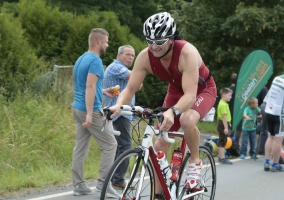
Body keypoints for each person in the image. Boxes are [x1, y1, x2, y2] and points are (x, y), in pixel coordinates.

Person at [109, 12, 217, 198]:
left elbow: (190, 95)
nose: (154, 46)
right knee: (159, 147)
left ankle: (195, 162)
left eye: (159, 41)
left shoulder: (187, 53)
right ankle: (160, 193)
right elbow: (130, 89)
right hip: (176, 91)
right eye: (150, 40)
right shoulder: (145, 56)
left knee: (186, 119)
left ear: (171, 38)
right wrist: (118, 106)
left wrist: (172, 111)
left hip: (201, 89)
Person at [71, 28, 120, 197]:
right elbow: (89, 86)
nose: (107, 45)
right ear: (99, 41)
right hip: (88, 110)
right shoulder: (96, 61)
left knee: (80, 147)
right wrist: (91, 114)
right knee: (110, 144)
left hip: (77, 108)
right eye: (106, 42)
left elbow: (87, 85)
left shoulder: (81, 58)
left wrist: (104, 91)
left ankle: (78, 185)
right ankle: (103, 184)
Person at [103, 45, 138, 189]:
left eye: (133, 56)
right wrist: (135, 80)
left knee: (120, 145)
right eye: (128, 54)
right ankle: (117, 179)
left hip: (123, 112)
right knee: (125, 145)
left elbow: (138, 84)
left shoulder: (122, 70)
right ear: (119, 55)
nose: (130, 58)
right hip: (119, 113)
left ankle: (114, 177)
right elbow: (136, 79)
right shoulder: (116, 67)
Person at [264, 75, 284, 172]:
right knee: (278, 139)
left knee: (270, 136)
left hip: (269, 110)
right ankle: (275, 164)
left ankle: (267, 162)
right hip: (279, 113)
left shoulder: (277, 78)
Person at [216, 88, 233, 164]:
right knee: (222, 140)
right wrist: (226, 127)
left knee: (224, 140)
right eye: (229, 95)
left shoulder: (224, 103)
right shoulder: (222, 104)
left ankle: (221, 157)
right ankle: (222, 157)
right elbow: (223, 117)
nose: (230, 97)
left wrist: (229, 123)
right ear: (224, 95)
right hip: (223, 124)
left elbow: (227, 116)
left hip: (225, 123)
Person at [228, 73, 243, 144]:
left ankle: (228, 143)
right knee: (238, 129)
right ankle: (235, 144)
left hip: (229, 111)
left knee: (229, 128)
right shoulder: (239, 90)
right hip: (238, 112)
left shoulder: (228, 90)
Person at [256, 86, 269, 155]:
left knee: (262, 130)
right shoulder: (264, 89)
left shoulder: (256, 88)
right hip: (263, 109)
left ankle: (259, 148)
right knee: (264, 130)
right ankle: (261, 149)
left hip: (260, 109)